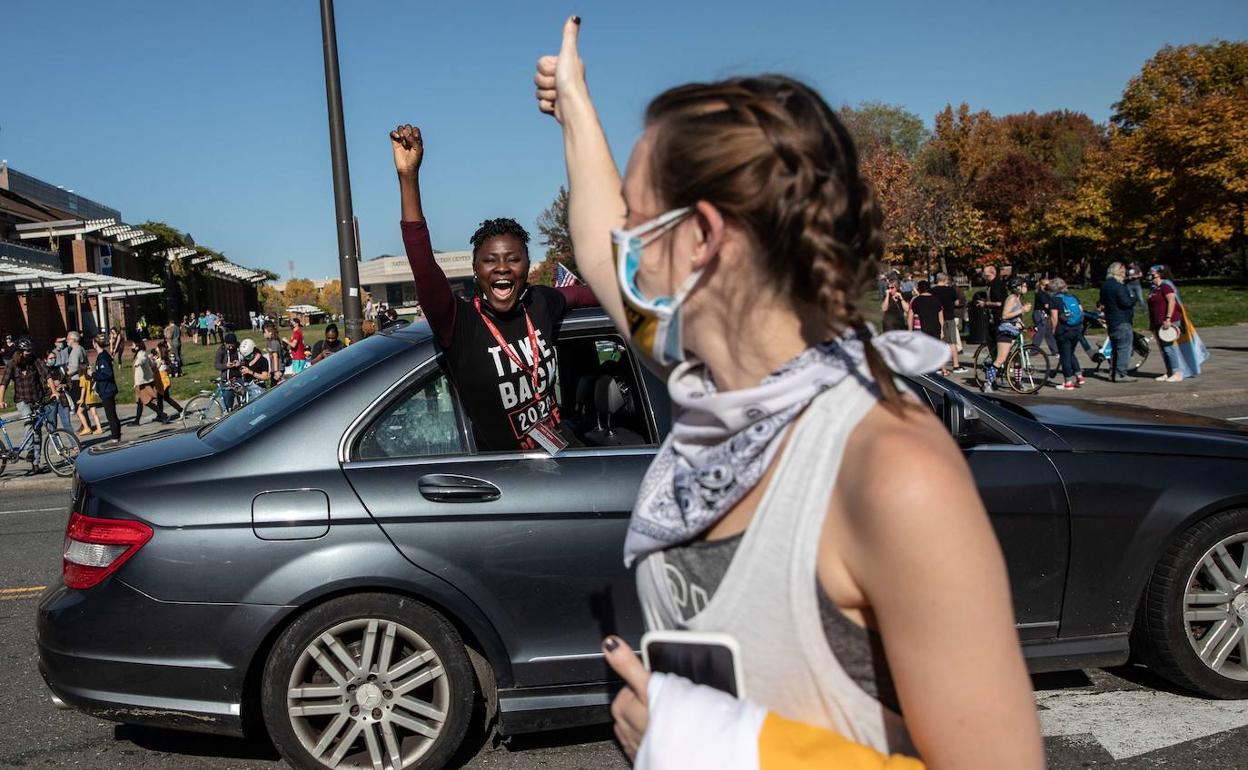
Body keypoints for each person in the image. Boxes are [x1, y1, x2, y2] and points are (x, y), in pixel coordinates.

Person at [535, 20, 1043, 769]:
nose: (624, 245)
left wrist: (716, 746)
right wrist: (575, 108)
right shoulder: (707, 382)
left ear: (703, 238)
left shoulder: (893, 470)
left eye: (639, 223)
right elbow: (593, 241)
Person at [392, 122, 599, 452]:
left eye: (513, 259)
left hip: (565, 461)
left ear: (527, 267)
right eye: (490, 260)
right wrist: (408, 178)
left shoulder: (541, 302)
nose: (502, 267)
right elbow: (423, 265)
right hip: (507, 485)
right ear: (476, 271)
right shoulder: (460, 325)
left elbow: (587, 295)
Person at [0, 338, 56, 470]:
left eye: (30, 351)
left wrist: (54, 391)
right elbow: (4, 384)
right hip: (22, 400)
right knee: (29, 421)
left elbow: (47, 375)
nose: (29, 353)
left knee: (37, 431)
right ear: (19, 352)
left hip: (37, 399)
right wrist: (1, 400)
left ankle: (35, 463)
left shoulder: (35, 361)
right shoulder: (12, 364)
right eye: (26, 351)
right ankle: (28, 451)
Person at [982, 276, 1030, 392]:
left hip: (1013, 330)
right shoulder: (1012, 298)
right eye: (1023, 285)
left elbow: (1014, 316)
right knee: (1001, 358)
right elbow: (1005, 315)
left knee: (1017, 359)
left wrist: (1020, 322)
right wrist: (1022, 310)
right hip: (1005, 331)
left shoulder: (1018, 299)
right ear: (1017, 288)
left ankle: (1018, 382)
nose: (1025, 287)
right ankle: (987, 383)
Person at [1098, 261, 1137, 382]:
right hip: (1122, 320)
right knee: (1124, 348)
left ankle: (1113, 372)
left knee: (1115, 348)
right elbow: (1126, 302)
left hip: (1111, 320)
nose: (1124, 273)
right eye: (1123, 270)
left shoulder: (1105, 285)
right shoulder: (1119, 286)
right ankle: (1120, 373)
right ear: (1118, 271)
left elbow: (1102, 302)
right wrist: (1133, 298)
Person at [1047, 278, 1086, 391]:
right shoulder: (1073, 297)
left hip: (1063, 330)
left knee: (1065, 355)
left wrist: (1053, 329)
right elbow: (1081, 312)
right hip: (1076, 329)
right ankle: (1079, 375)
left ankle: (1068, 381)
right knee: (1070, 353)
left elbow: (1054, 317)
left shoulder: (1054, 300)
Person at [65, 332, 100, 435]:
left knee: (79, 403)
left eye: (68, 338)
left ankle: (86, 425)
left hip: (77, 379)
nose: (67, 341)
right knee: (83, 404)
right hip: (82, 377)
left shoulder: (76, 351)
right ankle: (85, 424)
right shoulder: (81, 349)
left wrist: (66, 374)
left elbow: (75, 367)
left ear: (73, 339)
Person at [90, 334, 121, 443]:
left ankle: (115, 437)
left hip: (107, 389)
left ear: (95, 344)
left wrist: (93, 374)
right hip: (105, 389)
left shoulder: (103, 357)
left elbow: (107, 374)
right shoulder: (102, 355)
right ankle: (116, 435)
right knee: (111, 414)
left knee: (111, 415)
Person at [930, 272, 963, 373]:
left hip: (937, 318)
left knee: (940, 342)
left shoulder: (933, 291)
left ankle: (940, 366)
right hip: (949, 317)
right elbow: (956, 302)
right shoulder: (950, 290)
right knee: (952, 342)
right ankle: (956, 365)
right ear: (945, 279)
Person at [131, 341, 168, 425]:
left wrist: (138, 363)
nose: (131, 347)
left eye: (133, 345)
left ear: (137, 346)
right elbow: (151, 364)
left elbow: (142, 359)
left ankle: (163, 415)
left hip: (143, 382)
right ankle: (137, 421)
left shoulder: (141, 354)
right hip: (139, 382)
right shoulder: (140, 354)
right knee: (139, 401)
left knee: (146, 401)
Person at [906, 279, 944, 347]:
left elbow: (910, 317)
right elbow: (941, 317)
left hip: (921, 331)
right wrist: (942, 331)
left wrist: (910, 331)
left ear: (919, 289)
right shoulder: (936, 300)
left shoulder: (916, 301)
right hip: (935, 330)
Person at [151, 340, 184, 417]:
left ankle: (179, 410)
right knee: (162, 398)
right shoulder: (162, 358)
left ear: (160, 350)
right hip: (161, 381)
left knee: (163, 398)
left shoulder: (161, 360)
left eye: (157, 348)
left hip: (163, 381)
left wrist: (153, 362)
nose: (156, 349)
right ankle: (161, 415)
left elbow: (155, 369)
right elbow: (167, 349)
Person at [214, 333, 244, 410]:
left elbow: (247, 360)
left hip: (239, 377)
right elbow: (217, 365)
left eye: (232, 345)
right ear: (225, 343)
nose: (230, 347)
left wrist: (240, 363)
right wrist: (226, 366)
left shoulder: (240, 348)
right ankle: (229, 410)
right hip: (227, 379)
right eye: (228, 345)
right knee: (228, 396)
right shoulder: (222, 350)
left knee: (242, 398)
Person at [1031, 277, 1058, 356]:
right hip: (1040, 314)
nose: (1049, 286)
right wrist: (1055, 308)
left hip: (1044, 314)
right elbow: (1046, 305)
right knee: (1041, 332)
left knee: (1048, 332)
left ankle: (1055, 350)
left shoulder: (1045, 293)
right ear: (1042, 286)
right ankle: (1033, 349)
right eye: (1047, 285)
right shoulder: (1041, 294)